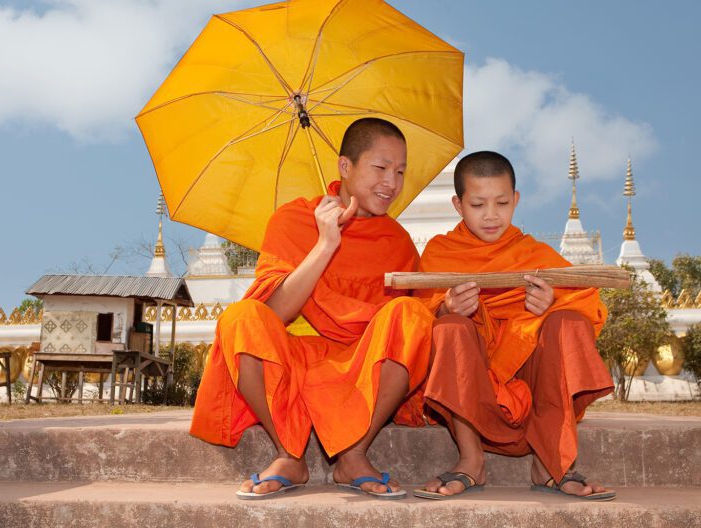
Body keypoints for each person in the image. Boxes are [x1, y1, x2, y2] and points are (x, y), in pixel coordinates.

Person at [190, 118, 433, 500]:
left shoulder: (397, 241)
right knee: (240, 318)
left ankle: (354, 454)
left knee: (413, 315)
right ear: (345, 167)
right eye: (381, 168)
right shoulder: (293, 219)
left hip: (357, 365)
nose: (392, 183)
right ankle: (290, 454)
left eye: (400, 172)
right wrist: (324, 245)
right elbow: (272, 314)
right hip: (293, 360)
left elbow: (407, 327)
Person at [413, 151, 615, 501]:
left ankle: (551, 461)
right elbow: (416, 315)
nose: (491, 215)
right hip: (473, 374)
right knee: (450, 328)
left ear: (516, 201)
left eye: (502, 203)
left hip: (527, 375)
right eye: (478, 204)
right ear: (458, 205)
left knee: (567, 321)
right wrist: (445, 307)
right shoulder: (441, 252)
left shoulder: (532, 253)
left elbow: (587, 302)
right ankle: (471, 459)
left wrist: (550, 304)